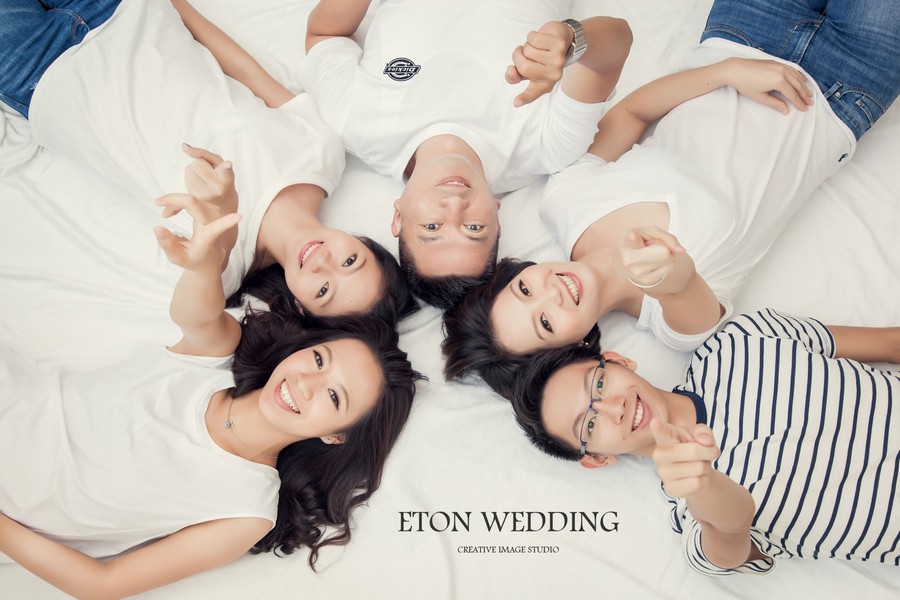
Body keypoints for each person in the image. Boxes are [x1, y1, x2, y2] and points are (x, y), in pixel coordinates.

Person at [441, 0, 900, 394]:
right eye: (545, 323)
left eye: (524, 289)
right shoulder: (674, 326)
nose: (551, 294)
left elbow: (633, 112)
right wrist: (666, 273)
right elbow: (681, 283)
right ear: (572, 348)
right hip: (845, 87)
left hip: (743, 32)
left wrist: (726, 72)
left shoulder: (562, 202)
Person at [0, 172, 423, 597]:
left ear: (335, 436)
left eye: (333, 396)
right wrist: (203, 262)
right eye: (317, 359)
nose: (304, 383)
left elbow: (101, 584)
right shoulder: (218, 362)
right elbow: (197, 314)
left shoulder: (247, 510)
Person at [0, 0, 417, 324]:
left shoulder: (226, 263)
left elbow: (193, 314)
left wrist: (218, 216)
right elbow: (244, 69)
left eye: (324, 290)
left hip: (39, 71)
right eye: (350, 261)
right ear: (364, 242)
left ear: (300, 306)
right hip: (126, 13)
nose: (324, 262)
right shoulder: (323, 151)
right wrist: (173, 7)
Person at [294, 0, 632, 308]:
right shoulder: (547, 147)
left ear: (398, 217)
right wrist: (571, 40)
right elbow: (618, 42)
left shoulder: (354, 122)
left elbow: (324, 34)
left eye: (432, 226)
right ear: (497, 220)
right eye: (473, 227)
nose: (455, 204)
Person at [512, 309, 900, 574]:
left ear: (618, 361)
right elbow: (732, 533)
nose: (614, 408)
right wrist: (704, 484)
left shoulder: (742, 340)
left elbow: (889, 344)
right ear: (597, 458)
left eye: (599, 385)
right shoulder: (693, 516)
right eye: (590, 424)